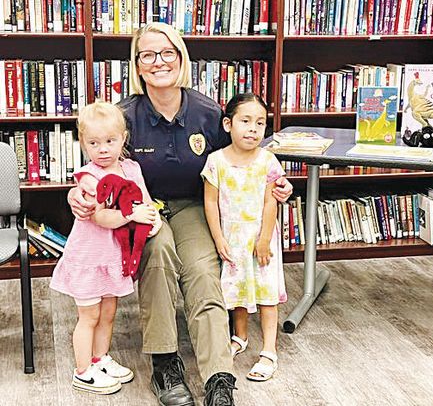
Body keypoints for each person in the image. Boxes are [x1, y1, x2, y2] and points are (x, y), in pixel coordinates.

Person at [67, 22, 292, 406]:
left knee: (203, 271)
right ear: (137, 66)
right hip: (143, 211)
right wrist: (77, 194)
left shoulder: (207, 112)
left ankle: (219, 376)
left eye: (167, 52)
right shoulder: (124, 117)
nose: (159, 62)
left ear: (181, 58)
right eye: (148, 55)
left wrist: (276, 184)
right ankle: (165, 363)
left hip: (193, 207)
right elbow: (97, 166)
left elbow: (242, 158)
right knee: (158, 257)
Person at [51, 102, 162, 395]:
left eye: (110, 141)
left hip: (114, 257)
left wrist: (152, 218)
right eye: (94, 143)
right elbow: (100, 217)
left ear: (123, 138)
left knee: (109, 312)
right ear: (83, 142)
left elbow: (146, 201)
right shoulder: (89, 177)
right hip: (89, 257)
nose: (102, 149)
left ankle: (100, 359)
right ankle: (83, 371)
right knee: (89, 316)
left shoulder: (131, 168)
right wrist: (131, 215)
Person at [202, 93, 287, 382]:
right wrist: (218, 239)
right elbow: (210, 203)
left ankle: (269, 350)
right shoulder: (215, 162)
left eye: (260, 123)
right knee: (236, 291)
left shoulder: (268, 161)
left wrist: (264, 239)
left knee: (266, 294)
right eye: (246, 121)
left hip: (261, 240)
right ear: (228, 124)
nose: (253, 129)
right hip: (232, 239)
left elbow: (270, 202)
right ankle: (240, 336)